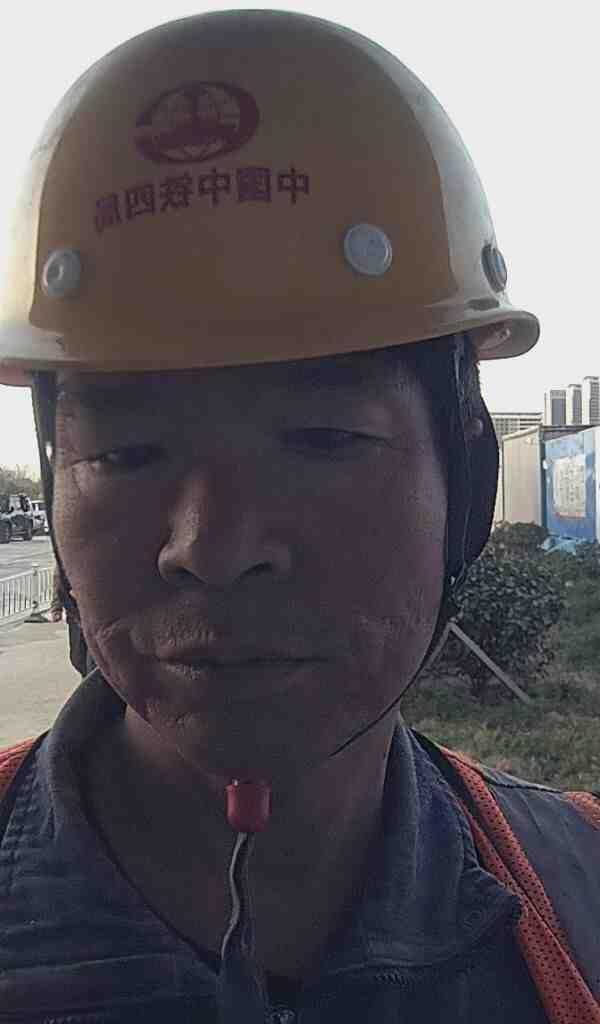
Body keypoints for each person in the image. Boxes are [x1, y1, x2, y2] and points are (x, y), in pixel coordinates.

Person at [0, 12, 598, 1023]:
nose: (213, 548)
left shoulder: (578, 902)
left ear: (466, 475)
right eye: (125, 453)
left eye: (323, 439)